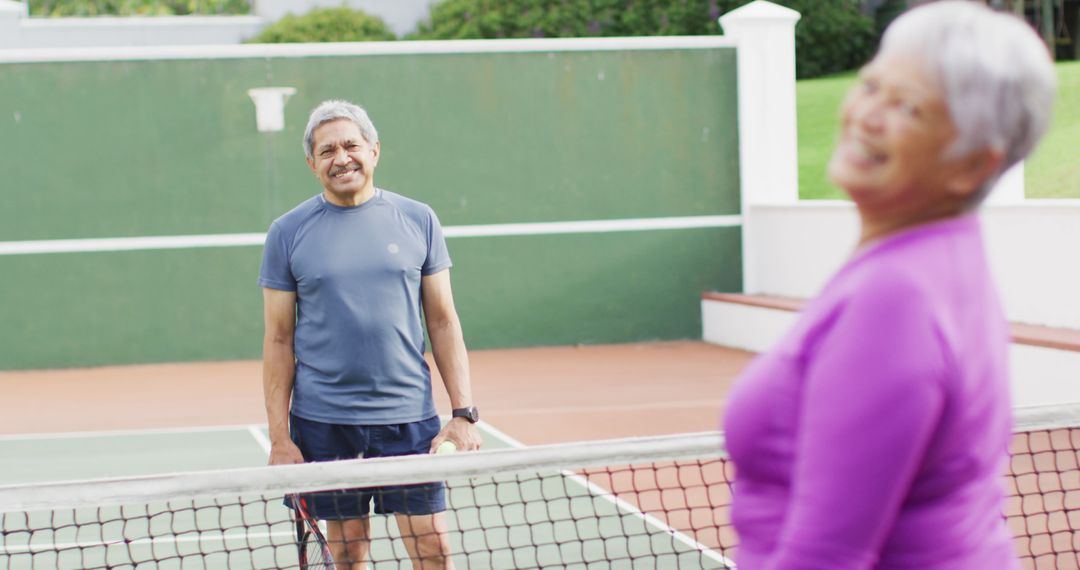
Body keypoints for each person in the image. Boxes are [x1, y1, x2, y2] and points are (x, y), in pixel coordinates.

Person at [722, 2, 1056, 568]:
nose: (867, 115)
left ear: (972, 166)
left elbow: (825, 558)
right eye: (872, 85)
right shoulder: (948, 255)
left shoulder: (893, 300)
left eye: (908, 107)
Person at [259, 99, 482, 569]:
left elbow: (442, 320)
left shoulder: (418, 219)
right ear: (311, 163)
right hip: (325, 425)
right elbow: (279, 341)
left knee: (432, 547)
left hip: (408, 420)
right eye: (326, 151)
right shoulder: (287, 232)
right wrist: (280, 437)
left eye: (351, 145)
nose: (341, 158)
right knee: (347, 552)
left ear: (374, 151)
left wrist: (463, 412)